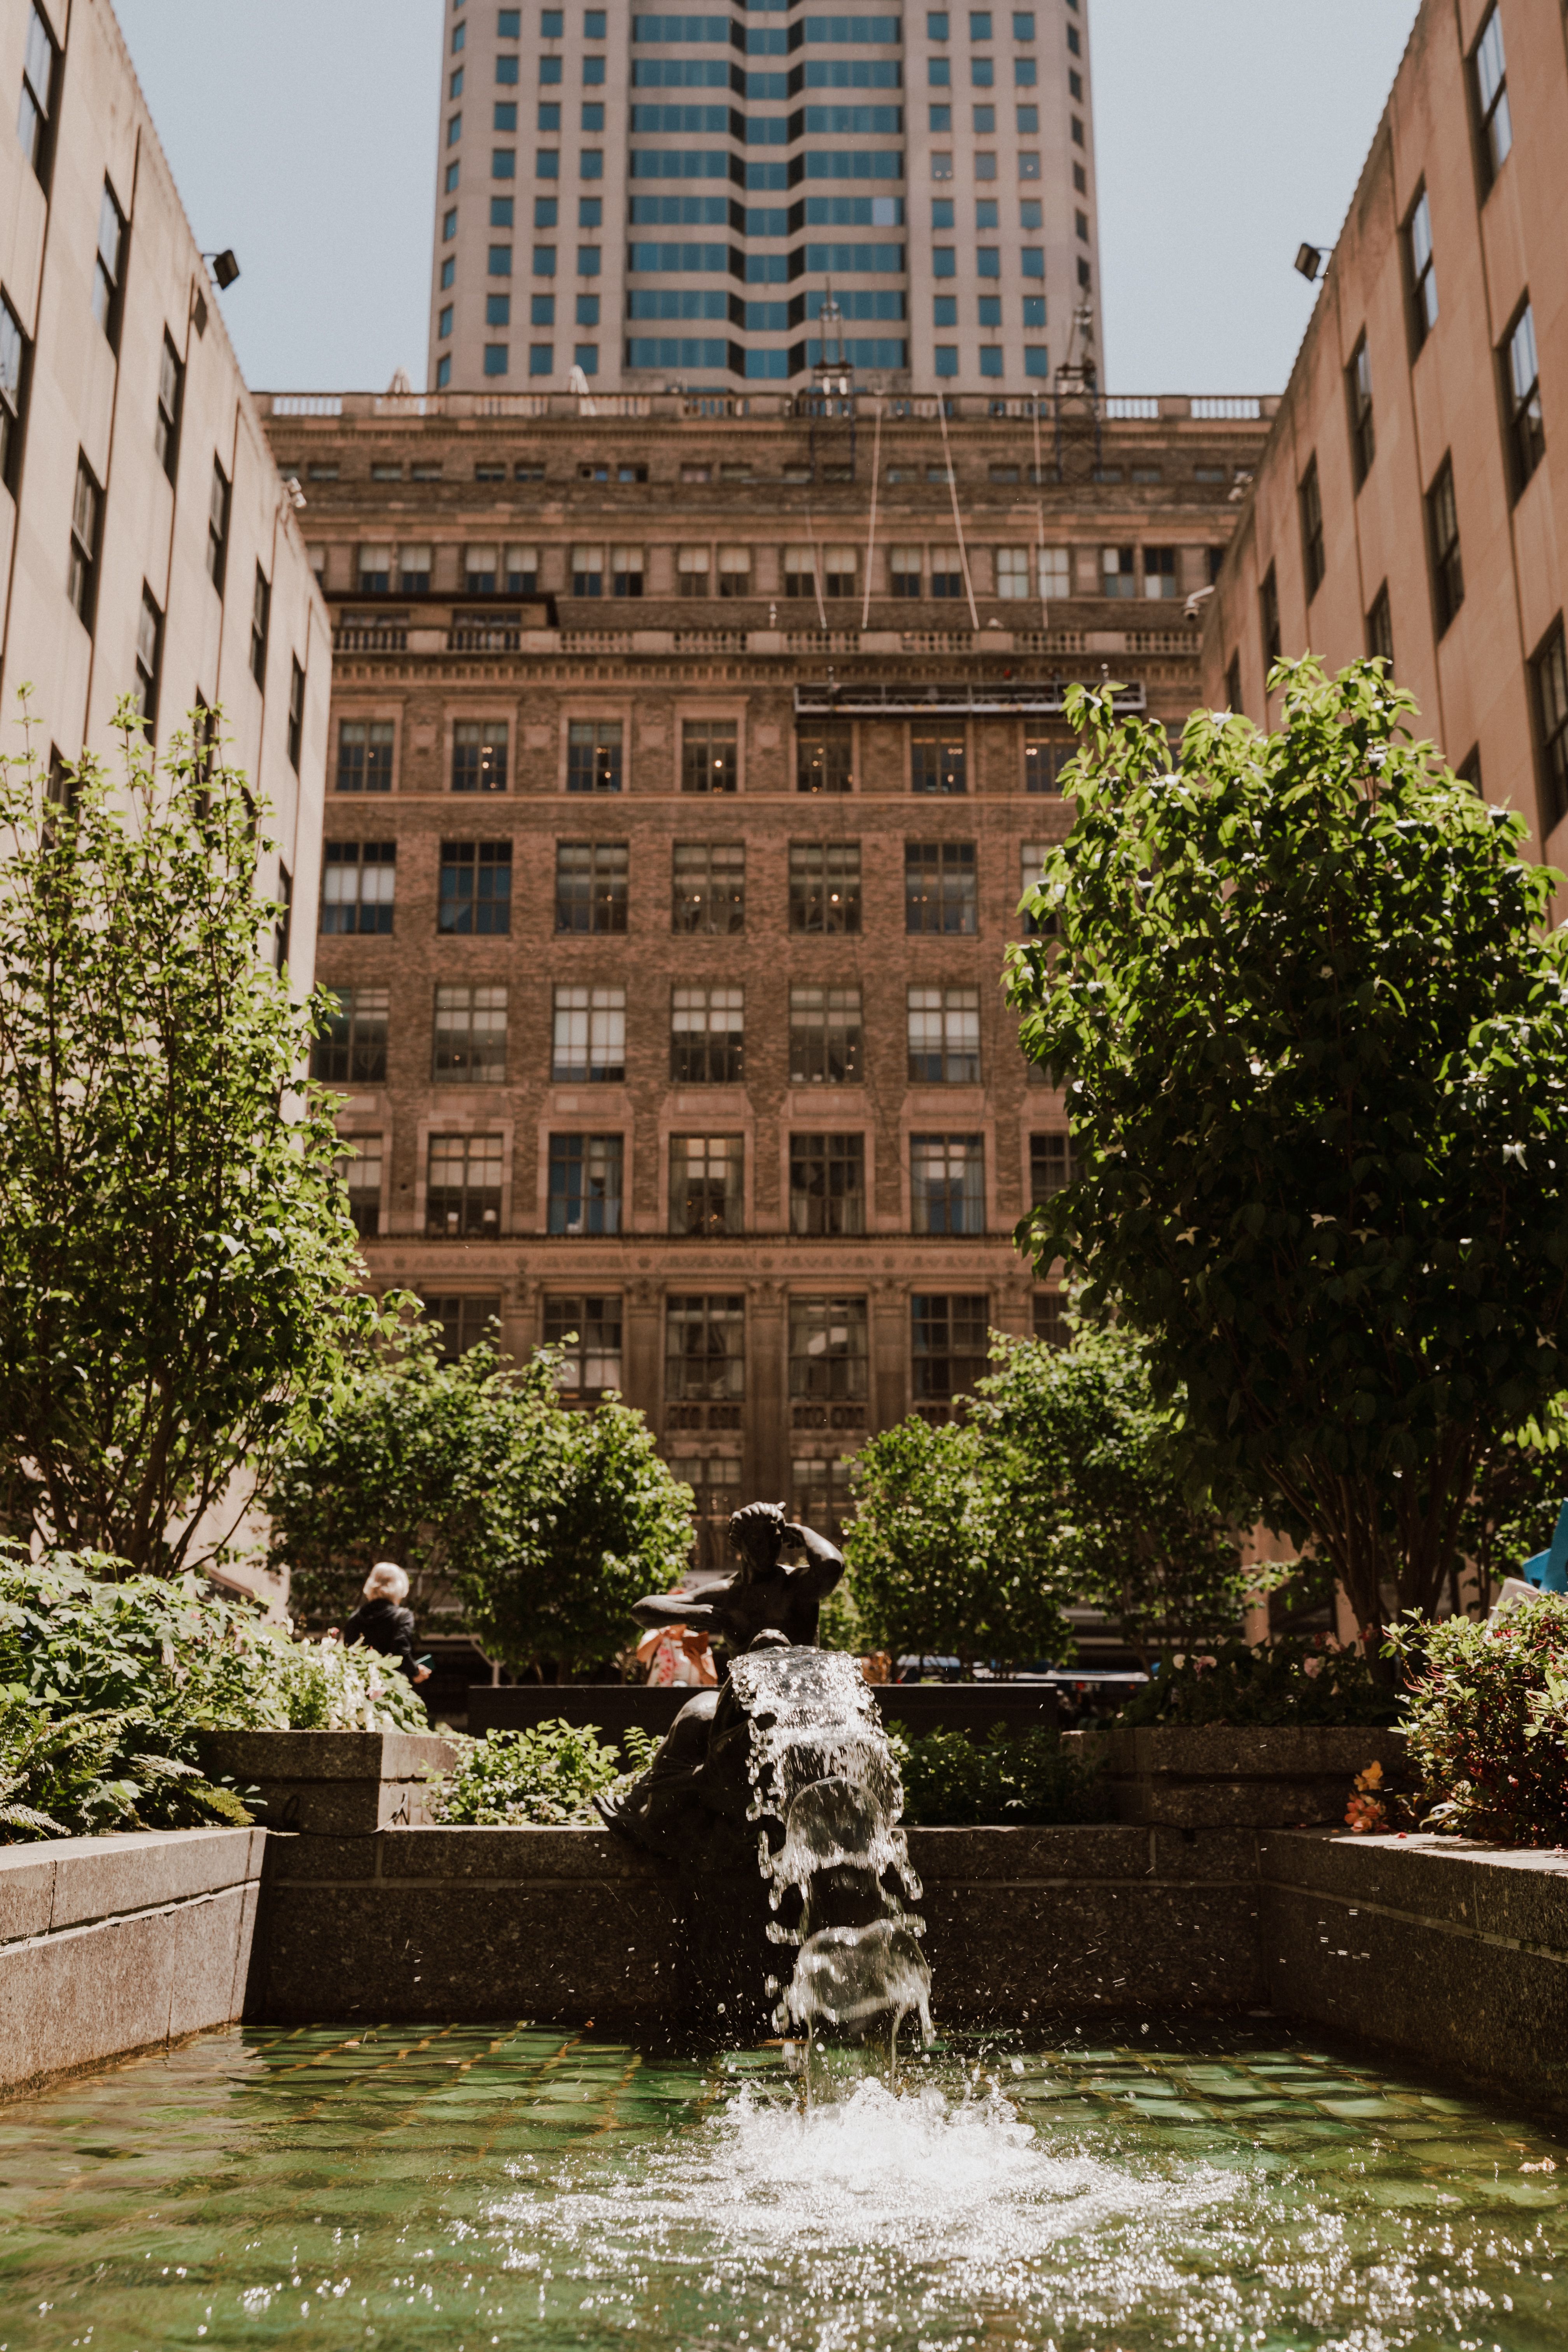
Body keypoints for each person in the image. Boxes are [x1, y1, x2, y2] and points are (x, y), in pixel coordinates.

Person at [341, 1562, 431, 1685]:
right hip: (391, 1688)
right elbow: (400, 1651)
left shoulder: (355, 1618)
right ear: (400, 1588)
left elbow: (348, 1654)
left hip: (360, 1687)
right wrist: (416, 1672)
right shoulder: (402, 1616)